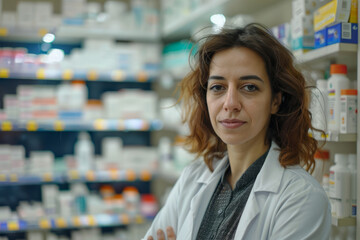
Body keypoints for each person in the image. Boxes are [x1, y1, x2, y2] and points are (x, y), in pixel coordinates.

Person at [143, 23, 331, 240]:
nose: (230, 103)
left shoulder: (301, 198)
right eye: (218, 87)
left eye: (249, 87)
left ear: (276, 101)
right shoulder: (192, 179)